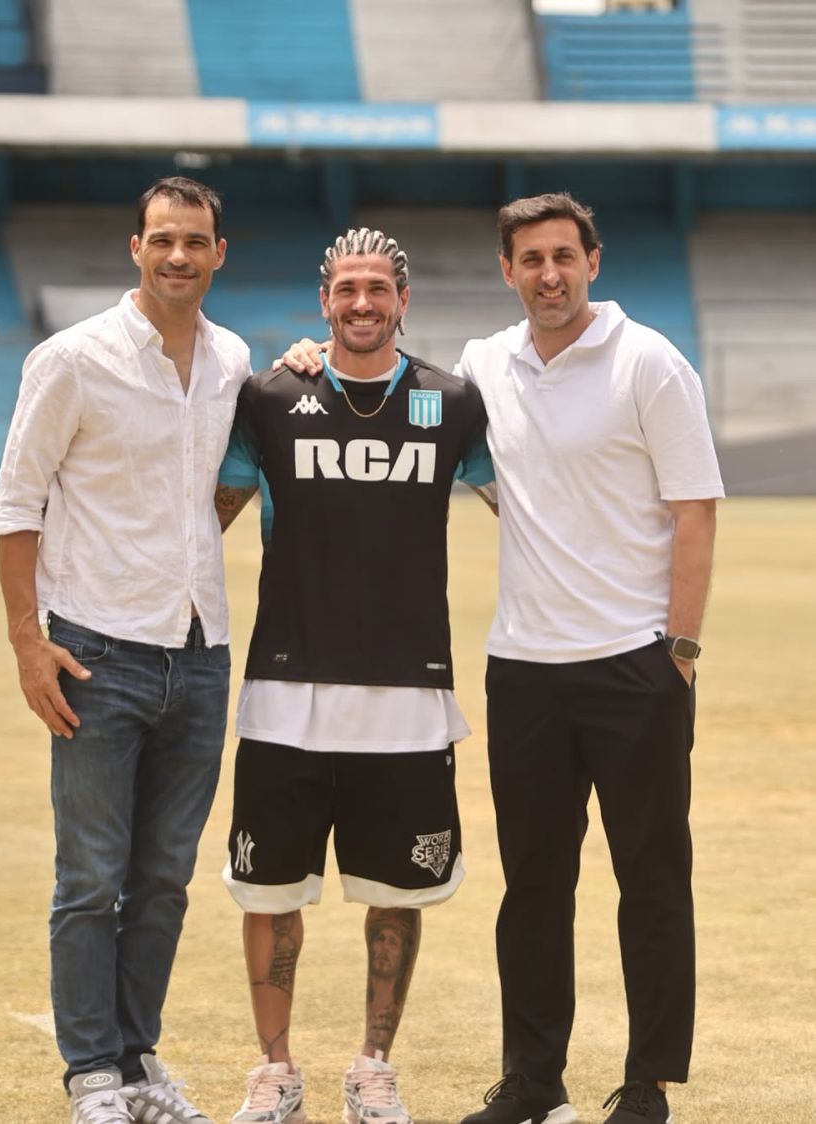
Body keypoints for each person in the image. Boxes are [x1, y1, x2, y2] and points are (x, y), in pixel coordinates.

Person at [279, 193, 723, 1124]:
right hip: (522, 671)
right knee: (533, 889)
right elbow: (387, 374)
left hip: (634, 666)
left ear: (592, 261)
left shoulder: (649, 362)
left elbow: (695, 507)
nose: (549, 274)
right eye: (531, 259)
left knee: (649, 880)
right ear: (507, 271)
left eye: (564, 255)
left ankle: (647, 1086)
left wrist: (678, 649)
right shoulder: (485, 366)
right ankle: (532, 1079)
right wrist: (308, 359)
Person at [215, 227, 494, 1124]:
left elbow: (533, 506)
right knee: (268, 894)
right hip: (285, 693)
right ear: (325, 298)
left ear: (403, 299)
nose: (363, 303)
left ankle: (374, 1068)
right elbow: (205, 517)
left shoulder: (453, 403)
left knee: (396, 898)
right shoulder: (267, 396)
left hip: (409, 701)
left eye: (379, 288)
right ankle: (276, 1072)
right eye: (347, 289)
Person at [0, 176, 251, 1124]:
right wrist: (30, 643)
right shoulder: (72, 359)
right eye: (161, 239)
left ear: (220, 253)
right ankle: (91, 1075)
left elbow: (229, 480)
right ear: (132, 249)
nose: (178, 255)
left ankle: (140, 1060)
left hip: (203, 651)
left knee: (164, 880)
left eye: (196, 240)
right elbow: (17, 509)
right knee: (90, 876)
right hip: (96, 651)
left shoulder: (233, 360)